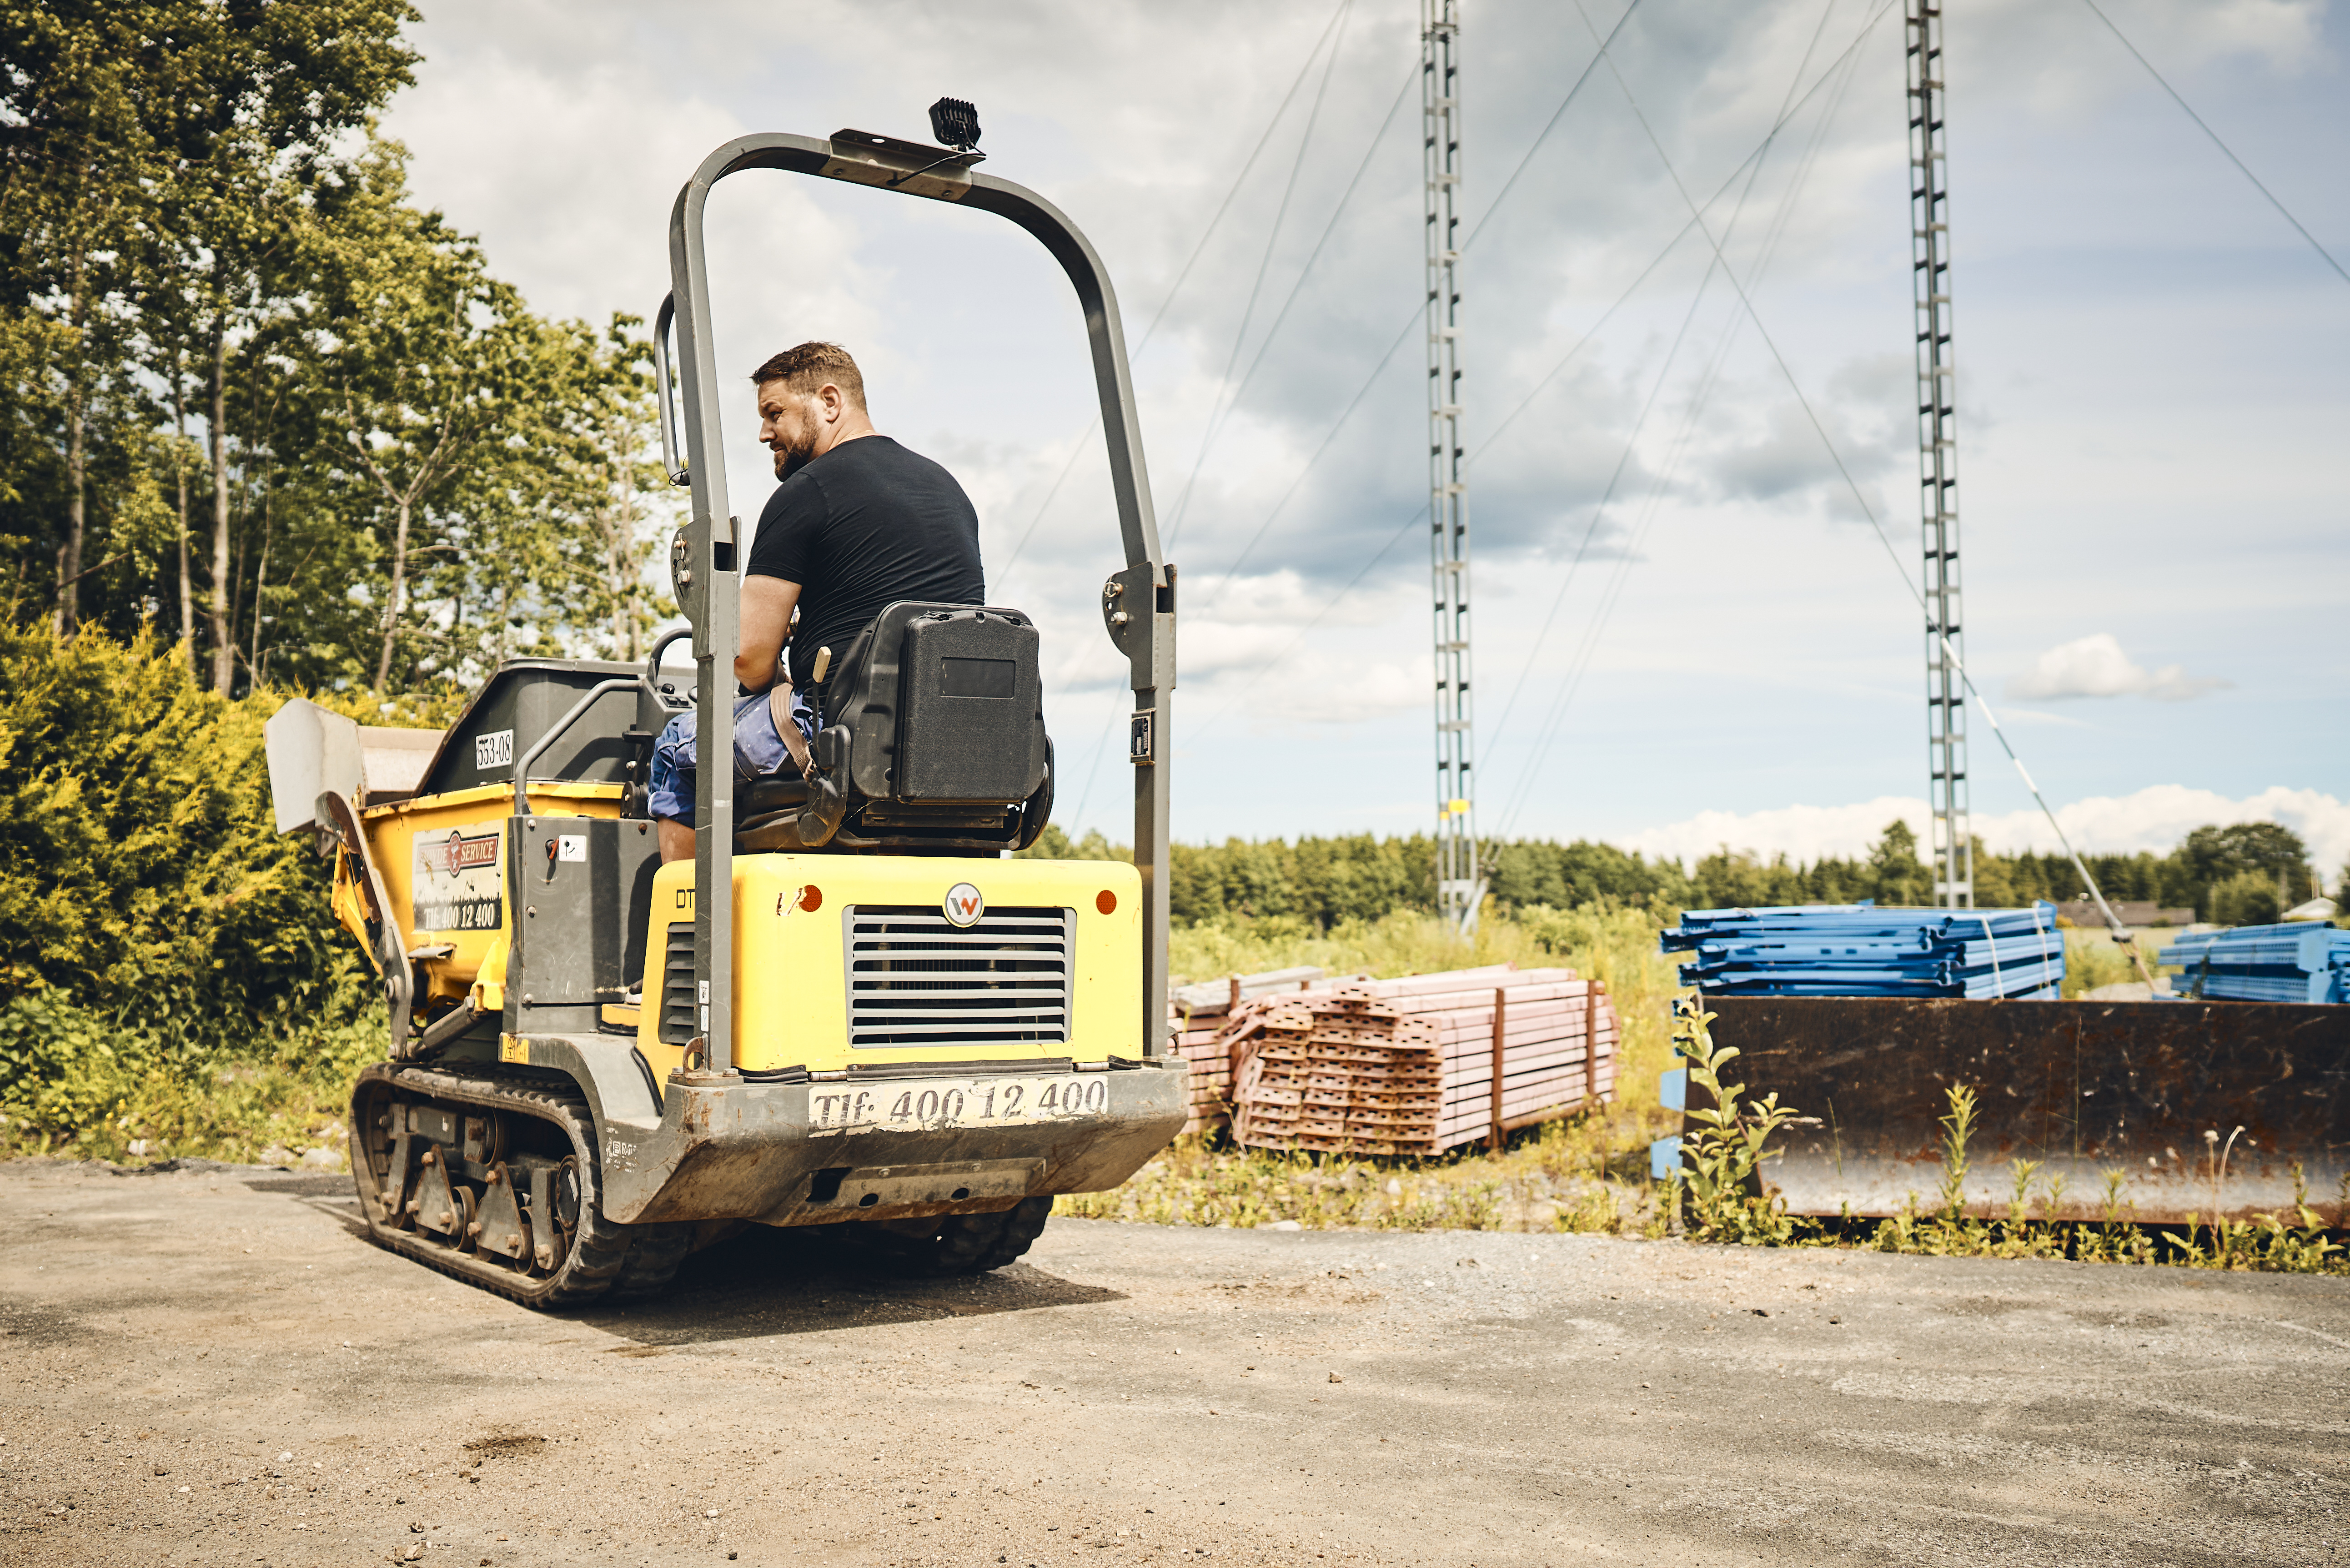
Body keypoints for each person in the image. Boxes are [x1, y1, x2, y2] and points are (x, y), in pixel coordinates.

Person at [648, 342, 985, 862]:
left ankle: (691, 934)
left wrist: (776, 676)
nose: (764, 433)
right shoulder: (947, 488)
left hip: (843, 728)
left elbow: (746, 656)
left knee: (676, 745)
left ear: (829, 402)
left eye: (773, 413)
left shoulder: (807, 491)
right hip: (953, 735)